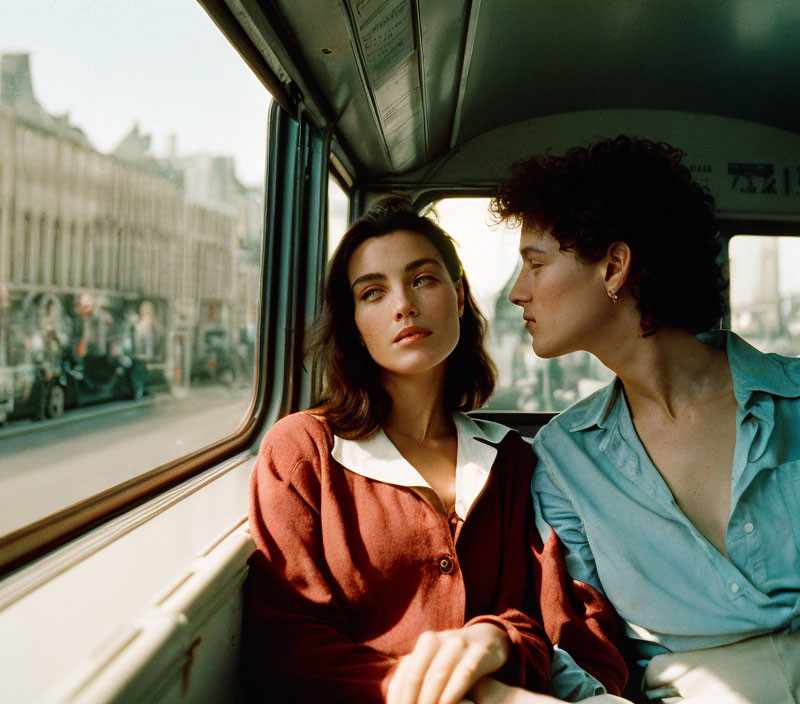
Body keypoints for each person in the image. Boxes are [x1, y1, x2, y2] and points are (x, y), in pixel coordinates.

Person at [243, 200, 628, 704]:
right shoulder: (303, 451)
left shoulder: (510, 459)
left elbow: (540, 621)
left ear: (460, 296)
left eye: (422, 279)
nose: (403, 304)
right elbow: (287, 646)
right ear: (354, 324)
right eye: (373, 292)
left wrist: (496, 642)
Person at [495, 136, 800, 703]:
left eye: (535, 265)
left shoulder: (796, 402)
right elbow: (584, 644)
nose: (517, 293)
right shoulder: (565, 459)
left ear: (613, 267)